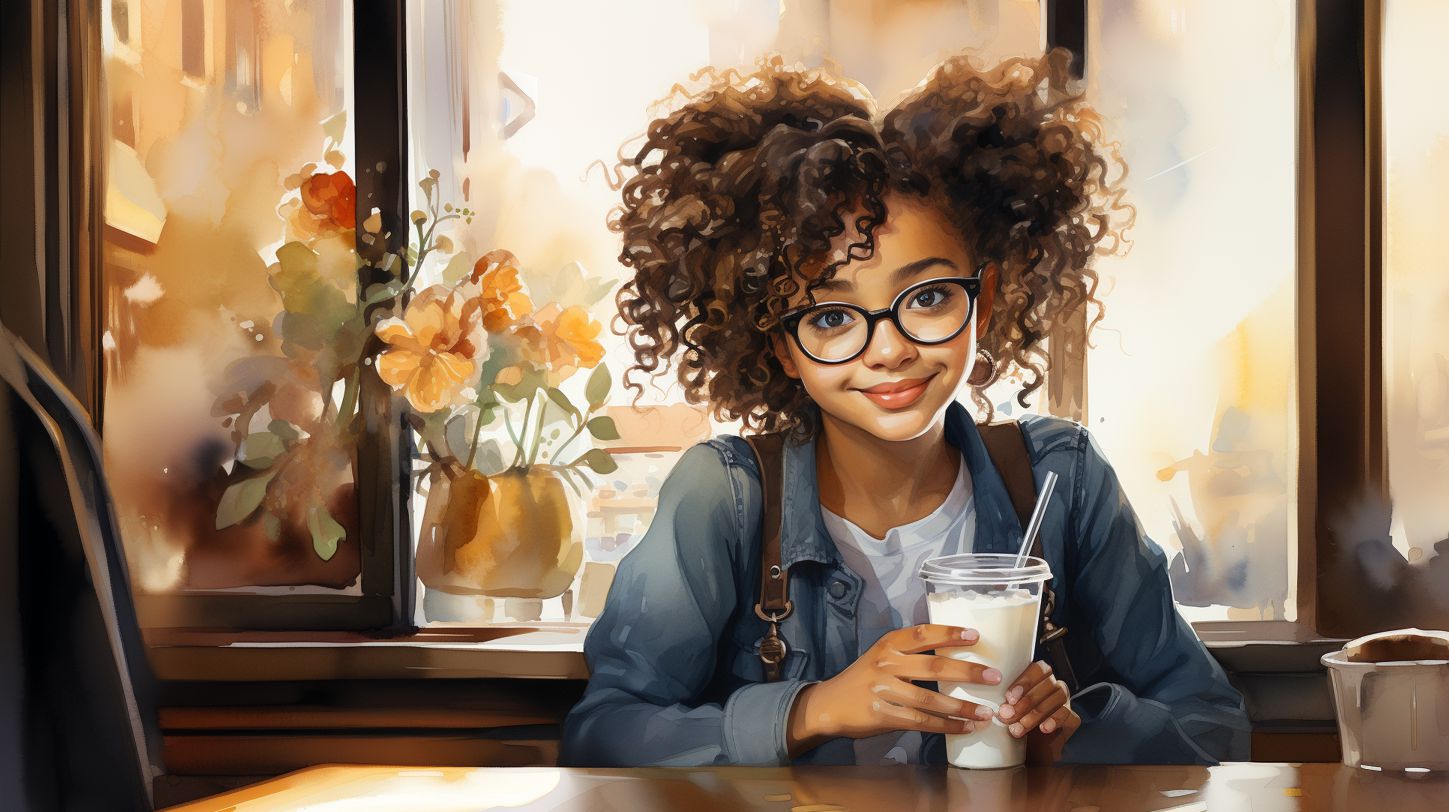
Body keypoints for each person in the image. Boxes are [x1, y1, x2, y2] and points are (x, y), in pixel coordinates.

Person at [560, 48, 1249, 767]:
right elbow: (603, 733)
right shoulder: (726, 498)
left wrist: (1079, 728)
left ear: (984, 298)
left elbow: (1210, 723)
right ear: (779, 348)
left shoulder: (1060, 478)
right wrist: (809, 711)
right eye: (830, 317)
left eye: (926, 298)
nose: (887, 351)